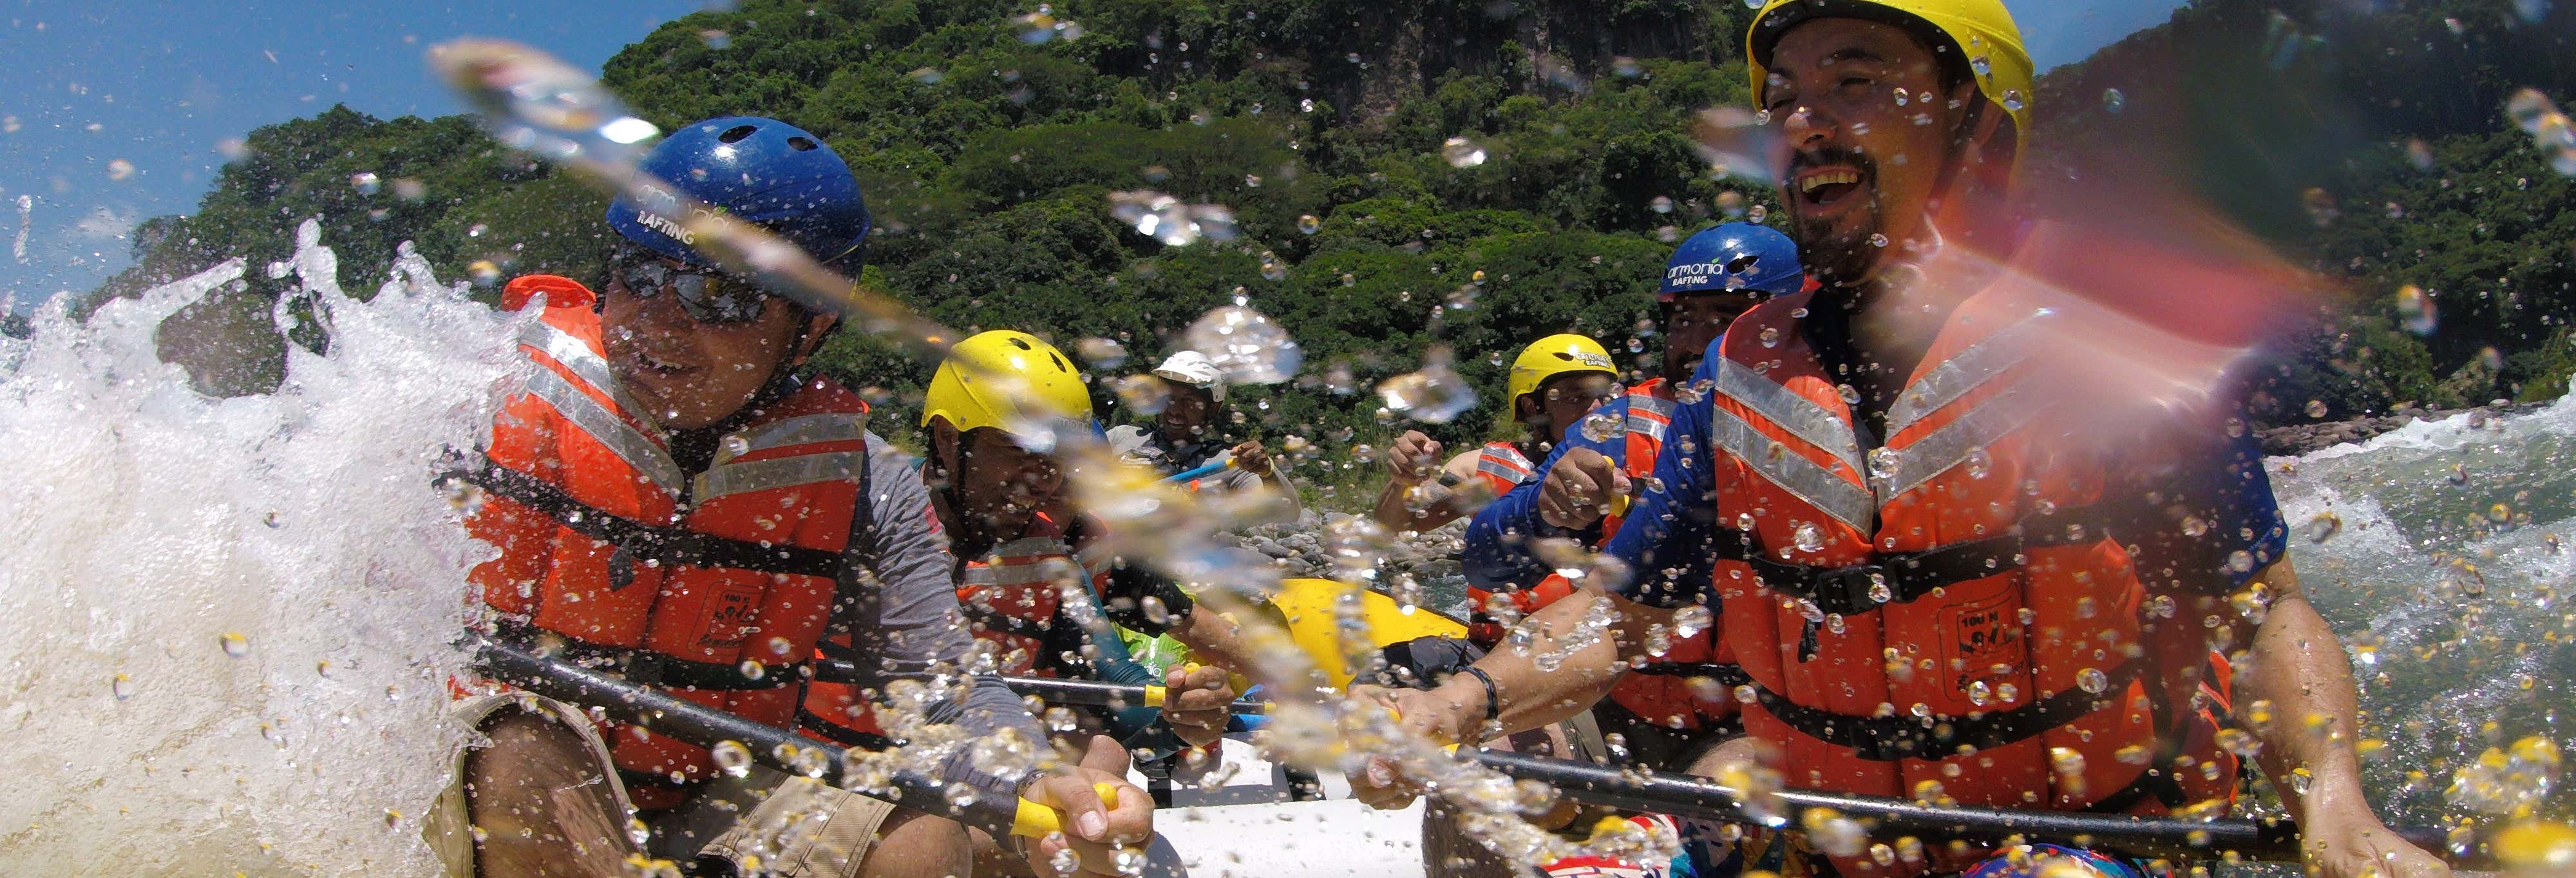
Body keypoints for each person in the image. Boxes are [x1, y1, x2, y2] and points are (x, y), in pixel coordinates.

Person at [1351, 5, 2447, 878]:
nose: (1804, 120)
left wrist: (2334, 806)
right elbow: (1623, 615)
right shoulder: (1742, 380)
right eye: (1786, 97)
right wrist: (1456, 702)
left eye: (1855, 82)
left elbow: (2258, 615)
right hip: (1836, 841)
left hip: (2089, 844)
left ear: (1979, 120)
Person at [433, 117, 1148, 878]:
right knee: (522, 747)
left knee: (921, 840)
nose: (658, 321)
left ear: (809, 331)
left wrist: (1035, 776)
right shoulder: (478, 401)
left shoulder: (866, 486)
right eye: (640, 272)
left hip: (704, 792)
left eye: (717, 294)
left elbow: (939, 692)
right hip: (482, 782)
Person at [799, 329, 1246, 759]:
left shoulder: (1048, 562)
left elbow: (1127, 709)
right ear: (949, 438)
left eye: (1057, 460)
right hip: (814, 769)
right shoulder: (849, 511)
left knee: (1100, 752)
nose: (1042, 482)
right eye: (1018, 450)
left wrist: (1183, 720)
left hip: (952, 788)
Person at [1370, 333, 1622, 535]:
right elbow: (1395, 526)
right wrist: (1403, 482)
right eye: (1574, 396)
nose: (1597, 409)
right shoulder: (1480, 470)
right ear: (1533, 407)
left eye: (1605, 395)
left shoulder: (1637, 463)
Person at [1108, 350, 1298, 510]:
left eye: (1189, 402)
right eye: (1168, 398)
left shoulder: (1231, 464)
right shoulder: (1121, 437)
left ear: (1213, 408)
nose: (1174, 410)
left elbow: (1287, 512)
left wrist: (1267, 473)